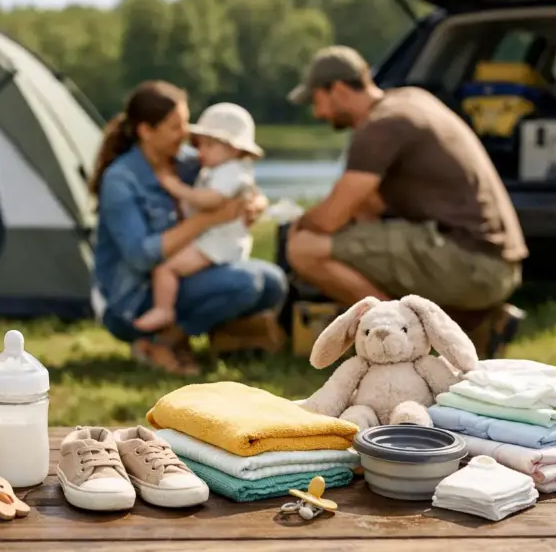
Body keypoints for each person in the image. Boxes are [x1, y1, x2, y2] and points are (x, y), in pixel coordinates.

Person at [283, 45, 528, 356]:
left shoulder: (380, 125)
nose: (319, 113)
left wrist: (299, 224)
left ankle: (401, 342)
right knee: (357, 222)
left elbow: (329, 219)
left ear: (339, 90)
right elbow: (365, 204)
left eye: (317, 101)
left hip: (472, 263)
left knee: (304, 249)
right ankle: (475, 324)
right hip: (492, 262)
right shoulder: (411, 100)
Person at [90, 81, 288, 375]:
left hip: (182, 275)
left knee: (273, 282)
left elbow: (238, 177)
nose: (187, 135)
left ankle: (186, 336)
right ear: (146, 131)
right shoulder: (121, 179)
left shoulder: (188, 162)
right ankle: (163, 340)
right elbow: (139, 257)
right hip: (132, 298)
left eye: (185, 123)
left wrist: (255, 204)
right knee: (247, 283)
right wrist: (208, 220)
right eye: (175, 126)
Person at [133, 102, 264, 332]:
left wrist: (175, 187)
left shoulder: (231, 172)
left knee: (166, 269)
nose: (200, 152)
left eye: (209, 145)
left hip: (216, 244)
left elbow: (210, 201)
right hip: (214, 241)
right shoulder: (223, 167)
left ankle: (165, 311)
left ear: (233, 149)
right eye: (199, 144)